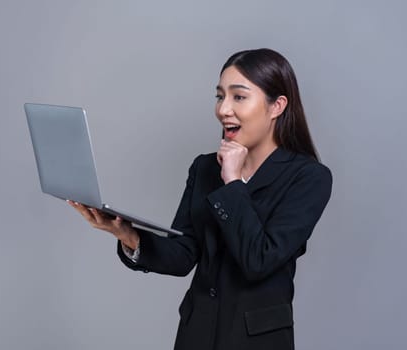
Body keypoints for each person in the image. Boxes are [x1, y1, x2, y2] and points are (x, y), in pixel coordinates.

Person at [68, 48, 333, 350]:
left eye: (239, 97)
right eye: (220, 96)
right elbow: (184, 254)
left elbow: (259, 259)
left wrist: (233, 181)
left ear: (277, 106)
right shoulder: (205, 167)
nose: (224, 110)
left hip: (257, 341)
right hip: (197, 334)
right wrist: (127, 235)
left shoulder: (308, 178)